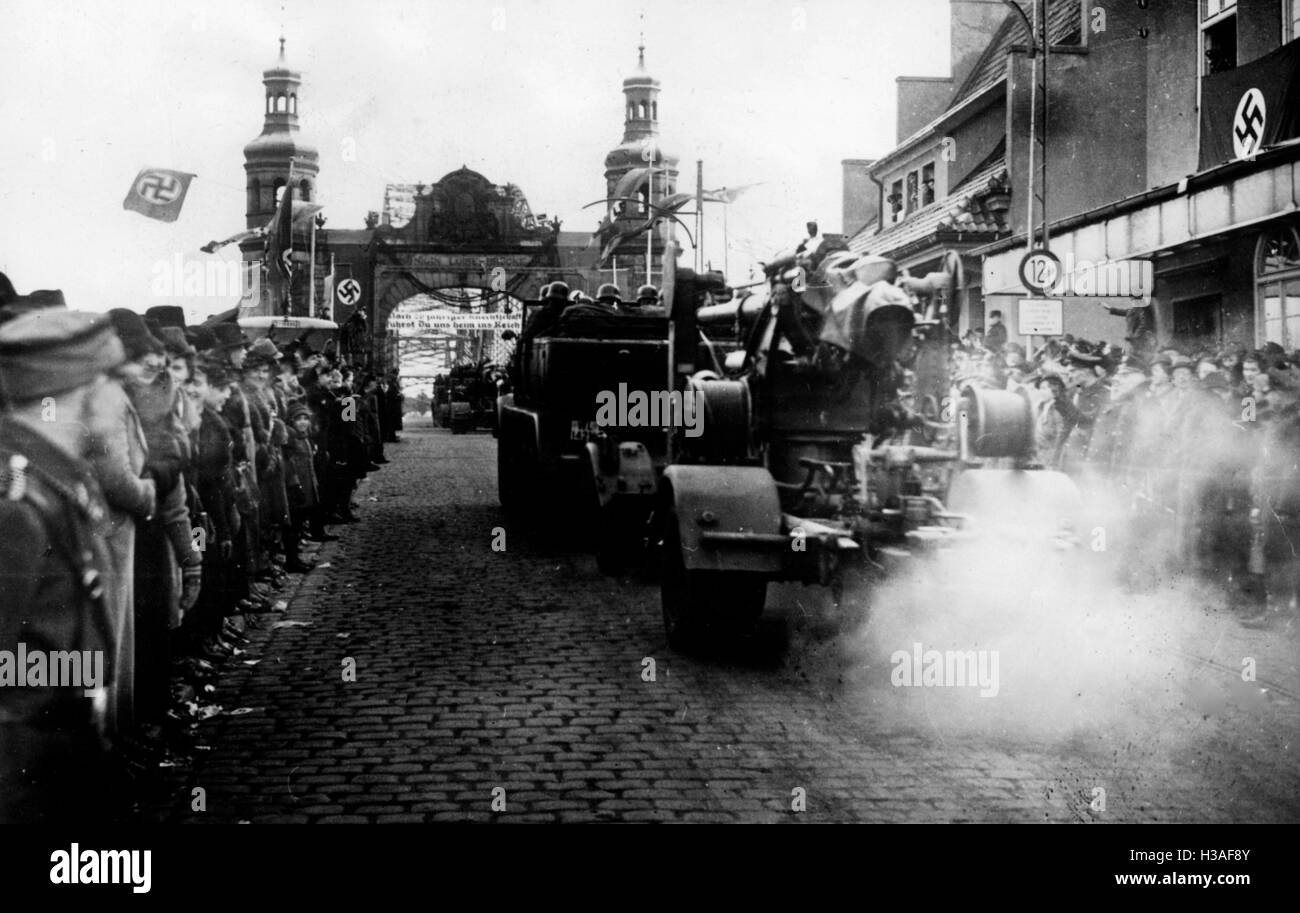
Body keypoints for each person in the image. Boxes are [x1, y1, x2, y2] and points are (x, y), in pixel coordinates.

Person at [0, 309, 126, 822]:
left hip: (60, 759)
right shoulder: (14, 505)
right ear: (85, 392)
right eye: (111, 380)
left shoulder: (57, 481)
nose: (122, 398)